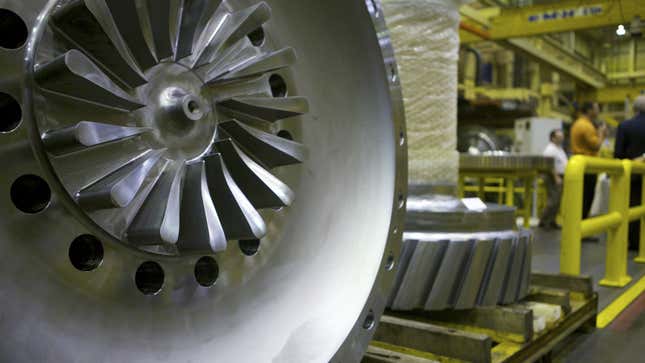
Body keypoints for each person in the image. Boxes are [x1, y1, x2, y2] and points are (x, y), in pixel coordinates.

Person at [614, 95, 645, 250]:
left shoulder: (625, 126)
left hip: (630, 176)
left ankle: (634, 243)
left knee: (631, 209)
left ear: (634, 109)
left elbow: (618, 154)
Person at [571, 102, 607, 222]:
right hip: (587, 167)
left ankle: (581, 229)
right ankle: (582, 229)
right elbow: (596, 146)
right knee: (586, 198)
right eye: (596, 109)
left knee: (582, 199)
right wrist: (601, 134)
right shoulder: (585, 126)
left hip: (582, 166)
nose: (598, 111)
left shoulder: (579, 124)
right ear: (590, 110)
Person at [540, 129, 568, 229]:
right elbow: (550, 165)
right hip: (552, 177)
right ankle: (544, 221)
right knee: (553, 200)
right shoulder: (550, 149)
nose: (561, 139)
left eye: (562, 137)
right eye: (559, 137)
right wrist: (556, 177)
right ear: (553, 138)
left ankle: (552, 221)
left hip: (559, 176)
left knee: (557, 201)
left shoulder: (559, 149)